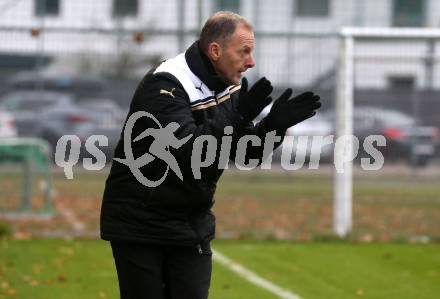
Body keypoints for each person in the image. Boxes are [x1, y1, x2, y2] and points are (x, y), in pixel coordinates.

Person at [100, 11, 321, 299]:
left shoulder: (229, 86)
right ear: (215, 51)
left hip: (190, 220)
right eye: (244, 51)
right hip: (141, 221)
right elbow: (187, 152)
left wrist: (273, 127)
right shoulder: (166, 84)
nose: (251, 61)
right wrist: (239, 114)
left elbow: (243, 153)